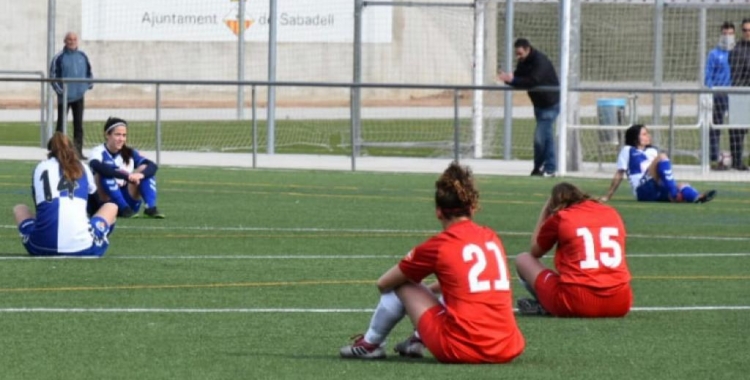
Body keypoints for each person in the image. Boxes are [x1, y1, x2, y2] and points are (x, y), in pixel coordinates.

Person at [339, 163, 524, 363]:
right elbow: (466, 282)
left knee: (401, 282)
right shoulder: (491, 237)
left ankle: (371, 343)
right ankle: (416, 340)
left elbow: (383, 283)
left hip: (462, 349)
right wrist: (428, 292)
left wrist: (419, 294)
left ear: (438, 211)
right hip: (507, 347)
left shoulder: (440, 246)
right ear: (472, 208)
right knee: (451, 290)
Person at [515, 182, 632, 317]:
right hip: (621, 302)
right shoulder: (612, 212)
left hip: (578, 301)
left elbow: (535, 251)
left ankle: (544, 304)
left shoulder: (562, 217)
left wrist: (545, 212)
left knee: (523, 259)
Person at [13, 132, 117, 257]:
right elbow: (95, 204)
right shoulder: (83, 167)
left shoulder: (40, 167)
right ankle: (97, 238)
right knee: (111, 207)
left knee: (20, 208)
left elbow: (38, 207)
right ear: (72, 149)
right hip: (83, 247)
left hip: (40, 246)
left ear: (50, 151)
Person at [599, 124, 716, 204]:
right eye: (644, 134)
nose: (648, 136)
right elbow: (619, 173)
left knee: (683, 186)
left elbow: (661, 173)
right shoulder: (627, 150)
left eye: (648, 133)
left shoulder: (652, 150)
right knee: (662, 157)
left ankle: (697, 197)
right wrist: (608, 195)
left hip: (655, 189)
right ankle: (674, 193)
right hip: (642, 189)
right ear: (635, 137)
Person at [498, 38, 560, 177]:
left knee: (539, 139)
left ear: (527, 49)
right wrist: (509, 79)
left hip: (550, 104)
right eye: (516, 54)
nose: (518, 57)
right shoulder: (523, 62)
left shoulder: (540, 61)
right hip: (538, 105)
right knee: (546, 137)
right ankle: (546, 169)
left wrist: (513, 80)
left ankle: (544, 168)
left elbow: (533, 81)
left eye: (520, 53)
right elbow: (519, 79)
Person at [88, 117, 165, 219]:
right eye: (117, 135)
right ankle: (123, 208)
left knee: (145, 169)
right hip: (105, 204)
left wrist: (140, 175)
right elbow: (97, 166)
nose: (121, 139)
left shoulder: (129, 152)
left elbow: (153, 166)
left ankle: (150, 208)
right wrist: (127, 176)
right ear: (107, 135)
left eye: (124, 135)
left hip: (128, 200)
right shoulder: (98, 151)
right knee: (105, 173)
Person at [50, 32, 93, 159]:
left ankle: (77, 152)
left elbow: (89, 72)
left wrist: (87, 86)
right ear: (65, 41)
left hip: (79, 96)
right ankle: (58, 152)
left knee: (78, 125)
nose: (72, 41)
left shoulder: (82, 56)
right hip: (64, 97)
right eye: (69, 39)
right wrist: (61, 91)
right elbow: (53, 76)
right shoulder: (59, 57)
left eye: (74, 39)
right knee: (61, 125)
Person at [705, 21, 735, 170]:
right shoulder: (714, 54)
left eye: (730, 34)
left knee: (737, 127)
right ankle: (714, 157)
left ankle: (736, 158)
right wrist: (711, 91)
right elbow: (708, 75)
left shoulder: (738, 52)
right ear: (720, 34)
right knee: (715, 126)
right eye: (725, 33)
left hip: (736, 95)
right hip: (719, 95)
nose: (727, 37)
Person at [728, 18, 750, 171]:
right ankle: (737, 161)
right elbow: (736, 75)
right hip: (742, 94)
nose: (748, 33)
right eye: (745, 30)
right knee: (738, 130)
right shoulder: (737, 50)